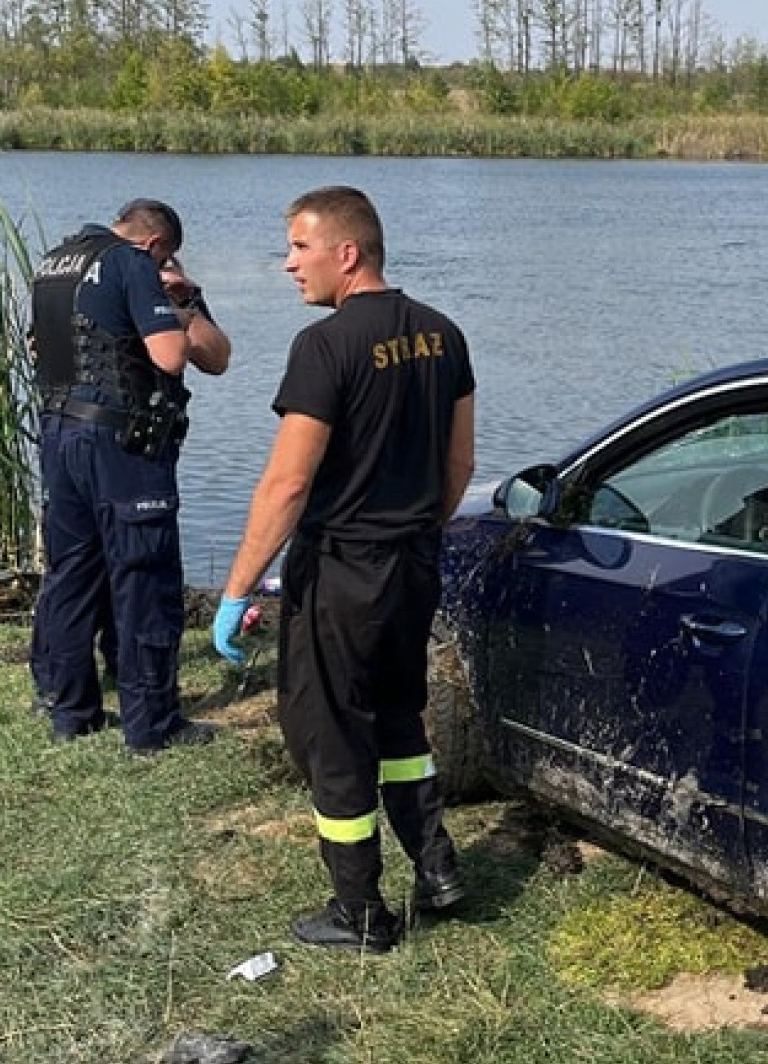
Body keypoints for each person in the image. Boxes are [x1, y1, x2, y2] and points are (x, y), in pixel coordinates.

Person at [211, 186, 476, 953]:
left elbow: (288, 484)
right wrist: (417, 531)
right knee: (398, 715)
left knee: (332, 735)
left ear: (347, 253)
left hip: (342, 569)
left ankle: (361, 914)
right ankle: (437, 869)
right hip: (414, 564)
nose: (289, 264)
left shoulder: (325, 347)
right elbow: (460, 462)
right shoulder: (444, 333)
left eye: (300, 247)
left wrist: (234, 593)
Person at [29, 198, 231, 753]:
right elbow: (169, 358)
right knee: (144, 577)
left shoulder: (55, 261)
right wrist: (179, 312)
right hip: (120, 443)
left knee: (72, 573)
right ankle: (152, 723)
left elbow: (35, 346)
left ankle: (70, 711)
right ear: (156, 246)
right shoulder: (131, 263)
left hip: (59, 431)